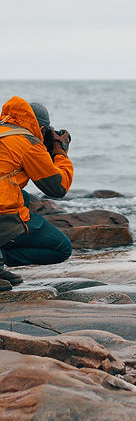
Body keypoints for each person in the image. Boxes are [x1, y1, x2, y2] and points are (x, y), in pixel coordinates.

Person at [0, 96, 73, 291]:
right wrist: (60, 151)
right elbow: (57, 188)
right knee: (62, 248)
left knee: (23, 197)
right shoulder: (29, 144)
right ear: (41, 129)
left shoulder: (3, 131)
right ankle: (1, 258)